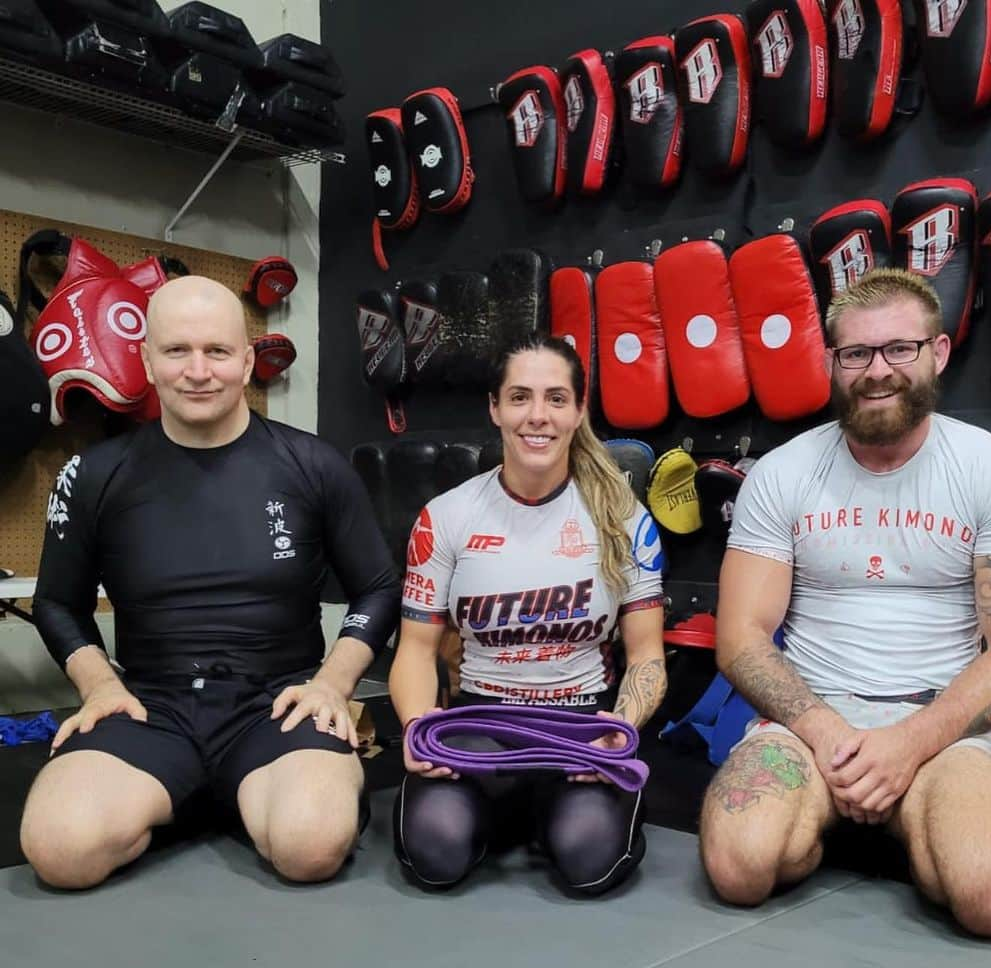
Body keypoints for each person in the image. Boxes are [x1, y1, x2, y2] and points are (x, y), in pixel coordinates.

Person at [699, 268, 991, 938]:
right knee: (738, 867)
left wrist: (906, 746)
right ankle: (856, 816)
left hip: (937, 727)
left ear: (939, 352)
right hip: (811, 726)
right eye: (856, 353)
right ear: (832, 362)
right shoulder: (782, 475)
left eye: (900, 349)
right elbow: (741, 636)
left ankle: (916, 821)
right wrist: (834, 737)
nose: (877, 370)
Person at [21, 276, 399, 888]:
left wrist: (332, 685)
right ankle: (196, 792)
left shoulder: (315, 466)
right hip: (150, 707)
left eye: (218, 352)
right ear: (146, 360)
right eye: (177, 351)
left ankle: (250, 792)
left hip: (277, 705)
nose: (198, 371)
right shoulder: (94, 474)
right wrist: (96, 687)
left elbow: (379, 587)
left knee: (310, 846)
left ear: (247, 361)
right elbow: (57, 603)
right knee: (59, 851)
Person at [388, 335, 667, 895]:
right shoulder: (446, 518)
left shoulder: (623, 519)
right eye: (519, 397)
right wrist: (419, 728)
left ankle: (542, 812)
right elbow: (416, 650)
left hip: (580, 726)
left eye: (556, 399)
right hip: (478, 725)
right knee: (435, 851)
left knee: (590, 860)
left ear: (579, 410)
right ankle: (502, 812)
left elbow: (647, 657)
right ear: (494, 407)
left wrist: (622, 727)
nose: (537, 416)